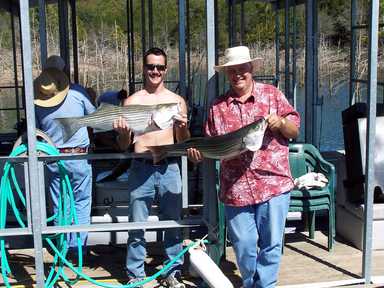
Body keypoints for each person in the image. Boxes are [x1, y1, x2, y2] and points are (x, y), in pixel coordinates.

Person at [187, 46, 300, 288]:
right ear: (227, 74)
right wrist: (197, 155)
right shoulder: (218, 107)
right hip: (235, 190)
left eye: (242, 69)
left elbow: (294, 130)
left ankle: (265, 285)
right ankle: (251, 283)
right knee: (244, 246)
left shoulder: (272, 95)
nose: (238, 74)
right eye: (232, 71)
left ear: (251, 69)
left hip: (273, 184)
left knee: (271, 245)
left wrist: (279, 122)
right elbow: (210, 146)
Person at [113, 47, 189, 288]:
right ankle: (135, 273)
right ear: (144, 68)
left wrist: (183, 126)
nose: (155, 71)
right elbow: (124, 145)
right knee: (137, 224)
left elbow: (183, 141)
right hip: (141, 167)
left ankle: (172, 271)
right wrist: (122, 133)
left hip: (170, 168)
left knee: (173, 223)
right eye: (150, 66)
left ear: (166, 70)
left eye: (159, 67)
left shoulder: (177, 102)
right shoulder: (132, 101)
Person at [34, 65, 96, 257]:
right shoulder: (78, 93)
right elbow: (93, 117)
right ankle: (77, 249)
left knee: (61, 205)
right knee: (82, 202)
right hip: (78, 156)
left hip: (53, 157)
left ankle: (62, 249)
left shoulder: (36, 102)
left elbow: (34, 133)